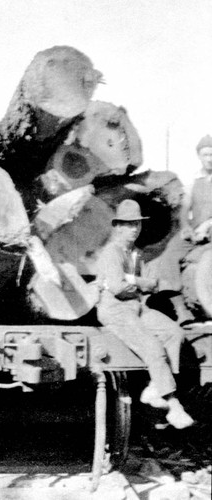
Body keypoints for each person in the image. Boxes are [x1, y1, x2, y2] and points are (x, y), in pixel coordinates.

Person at [96, 199, 194, 429]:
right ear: (117, 226)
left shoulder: (136, 254)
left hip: (137, 306)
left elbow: (151, 285)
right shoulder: (112, 253)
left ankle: (154, 388)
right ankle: (173, 405)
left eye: (136, 225)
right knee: (153, 348)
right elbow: (119, 289)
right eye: (128, 225)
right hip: (116, 311)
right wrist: (137, 282)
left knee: (174, 333)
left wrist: (134, 281)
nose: (133, 229)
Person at [144, 134, 212, 325]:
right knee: (170, 255)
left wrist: (207, 226)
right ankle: (180, 309)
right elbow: (185, 208)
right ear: (199, 156)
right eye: (205, 154)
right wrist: (185, 227)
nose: (209, 159)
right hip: (197, 230)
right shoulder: (195, 181)